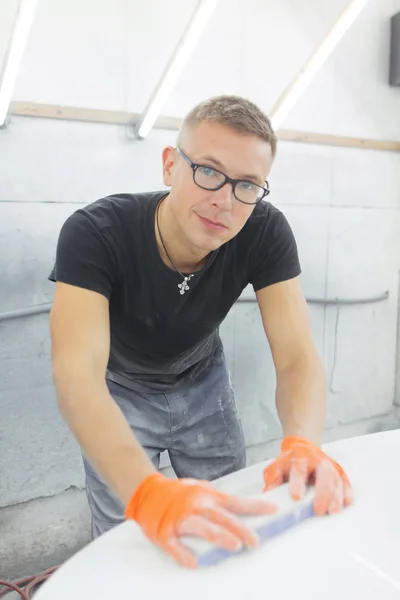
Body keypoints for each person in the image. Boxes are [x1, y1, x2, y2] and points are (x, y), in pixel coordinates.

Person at [49, 95, 352, 569]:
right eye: (208, 171)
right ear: (170, 165)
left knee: (229, 511)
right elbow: (76, 375)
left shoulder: (264, 231)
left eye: (248, 185)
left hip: (203, 383)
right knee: (124, 536)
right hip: (120, 391)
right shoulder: (96, 232)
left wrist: (304, 442)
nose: (224, 201)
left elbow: (296, 353)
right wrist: (149, 495)